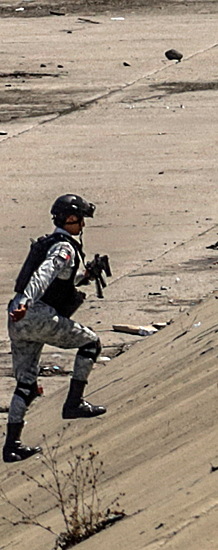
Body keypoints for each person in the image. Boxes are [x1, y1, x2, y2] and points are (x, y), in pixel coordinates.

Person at [8, 195, 107, 464]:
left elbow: (60, 282)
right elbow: (44, 275)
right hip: (35, 314)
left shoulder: (49, 244)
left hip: (17, 318)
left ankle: (11, 446)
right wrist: (28, 302)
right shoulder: (63, 249)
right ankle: (74, 403)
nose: (84, 225)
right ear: (70, 219)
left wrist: (85, 277)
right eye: (81, 219)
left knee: (26, 385)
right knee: (90, 343)